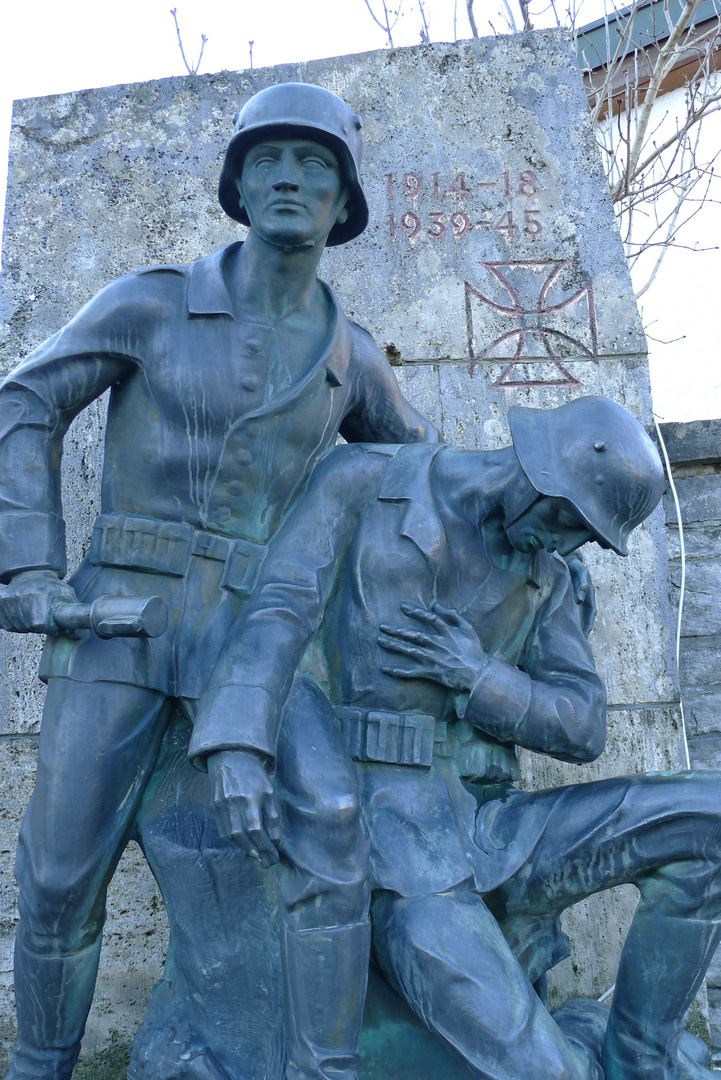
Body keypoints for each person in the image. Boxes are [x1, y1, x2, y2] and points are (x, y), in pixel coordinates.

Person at [0, 83, 439, 1080]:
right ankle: (37, 1068)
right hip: (121, 621)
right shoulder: (153, 302)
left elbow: (425, 486)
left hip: (252, 646)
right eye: (269, 160)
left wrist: (527, 537)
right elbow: (24, 398)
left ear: (342, 202)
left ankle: (312, 1062)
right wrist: (28, 564)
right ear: (237, 185)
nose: (290, 177)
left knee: (325, 831)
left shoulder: (352, 360)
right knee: (61, 877)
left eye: (315, 164)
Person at [191, 396, 721, 1080]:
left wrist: (477, 675)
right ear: (538, 473)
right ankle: (580, 1045)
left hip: (494, 826)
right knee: (545, 1077)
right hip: (396, 849)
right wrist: (237, 744)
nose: (562, 546)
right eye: (566, 521)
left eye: (581, 538)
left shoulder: (545, 578)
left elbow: (583, 726)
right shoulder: (365, 480)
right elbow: (279, 608)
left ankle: (637, 1062)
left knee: (709, 817)